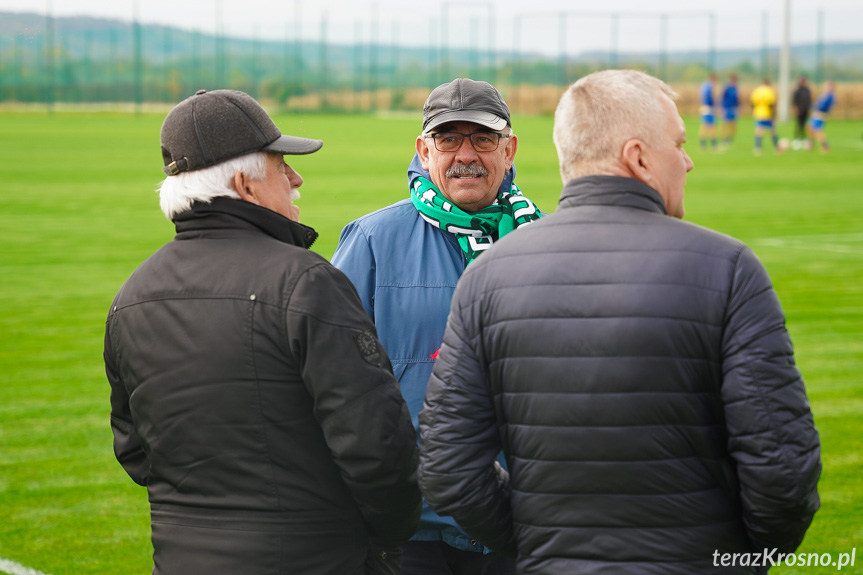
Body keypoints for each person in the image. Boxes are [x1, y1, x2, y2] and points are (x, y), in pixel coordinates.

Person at [418, 70, 821, 574]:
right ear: (638, 157)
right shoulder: (728, 268)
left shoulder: (487, 277)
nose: (689, 160)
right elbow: (782, 471)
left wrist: (540, 546)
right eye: (678, 143)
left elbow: (447, 466)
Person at [105, 89, 421, 575]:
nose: (295, 178)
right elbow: (376, 444)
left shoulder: (132, 296)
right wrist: (387, 537)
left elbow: (134, 449)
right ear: (244, 185)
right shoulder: (306, 282)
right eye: (280, 165)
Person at [332, 78, 542, 575]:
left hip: (524, 518)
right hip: (411, 524)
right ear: (424, 151)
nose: (465, 154)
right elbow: (332, 382)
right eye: (449, 139)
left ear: (509, 150)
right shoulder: (371, 242)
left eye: (483, 139)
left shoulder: (549, 242)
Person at [750, 77, 783, 155]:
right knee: (772, 131)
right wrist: (773, 114)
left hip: (758, 113)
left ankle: (758, 148)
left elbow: (752, 102)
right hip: (767, 113)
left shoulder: (757, 91)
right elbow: (772, 104)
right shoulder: (769, 91)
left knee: (759, 130)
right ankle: (776, 147)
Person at [807, 81, 836, 153]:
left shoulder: (830, 96)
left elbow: (823, 106)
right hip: (817, 113)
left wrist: (815, 107)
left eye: (827, 86)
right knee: (809, 127)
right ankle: (811, 144)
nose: (826, 87)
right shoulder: (825, 94)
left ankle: (825, 146)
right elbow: (818, 103)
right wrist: (813, 106)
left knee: (817, 130)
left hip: (821, 114)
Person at [698, 72, 718, 151]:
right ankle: (713, 145)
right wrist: (714, 107)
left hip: (703, 107)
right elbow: (710, 98)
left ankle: (703, 144)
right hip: (708, 108)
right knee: (711, 127)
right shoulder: (709, 87)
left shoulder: (703, 86)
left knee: (705, 126)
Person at [792, 75, 813, 147]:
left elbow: (809, 100)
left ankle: (804, 138)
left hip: (806, 110)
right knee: (798, 125)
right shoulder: (798, 90)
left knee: (805, 125)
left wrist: (809, 109)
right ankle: (796, 139)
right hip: (800, 110)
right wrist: (797, 108)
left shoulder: (807, 90)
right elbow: (795, 101)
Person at [720, 73, 739, 147]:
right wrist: (721, 108)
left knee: (733, 126)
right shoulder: (726, 88)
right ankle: (723, 139)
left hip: (733, 109)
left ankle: (730, 139)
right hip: (726, 108)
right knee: (725, 124)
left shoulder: (735, 88)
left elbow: (737, 99)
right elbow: (722, 98)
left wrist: (737, 107)